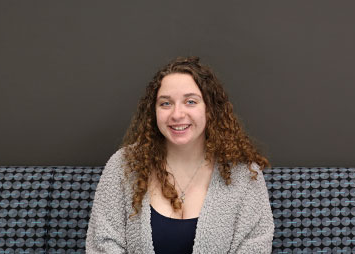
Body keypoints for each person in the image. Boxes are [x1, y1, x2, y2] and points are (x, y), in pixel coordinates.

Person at [85, 56, 274, 254]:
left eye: (190, 102)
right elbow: (103, 243)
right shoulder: (124, 164)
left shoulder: (245, 175)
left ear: (210, 109)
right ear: (154, 112)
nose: (177, 114)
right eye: (165, 104)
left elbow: (255, 246)